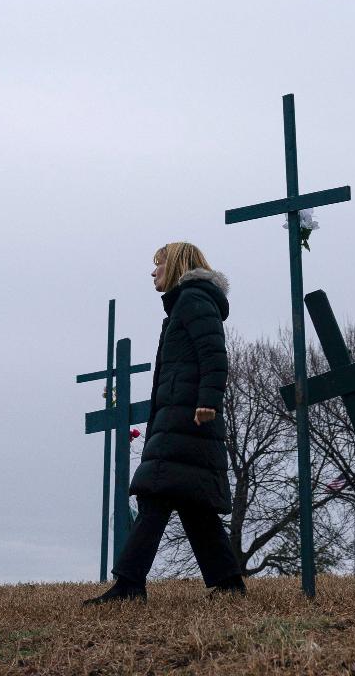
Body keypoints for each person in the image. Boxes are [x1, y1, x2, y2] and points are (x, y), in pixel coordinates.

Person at [84, 241, 247, 603]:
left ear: (174, 265)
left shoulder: (193, 301)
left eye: (158, 264)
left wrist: (207, 401)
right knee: (193, 503)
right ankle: (229, 584)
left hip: (187, 416)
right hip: (178, 414)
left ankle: (129, 584)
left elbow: (214, 354)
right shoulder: (186, 304)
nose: (153, 271)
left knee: (155, 493)